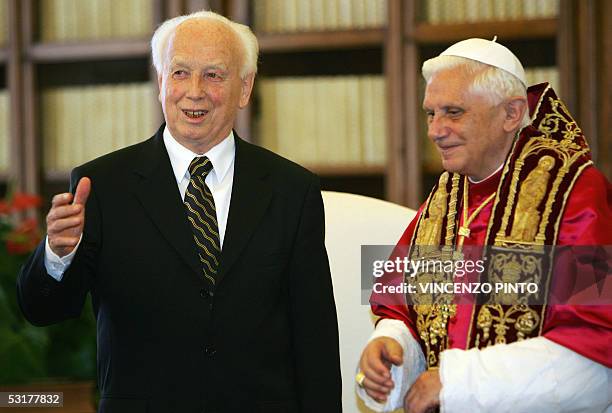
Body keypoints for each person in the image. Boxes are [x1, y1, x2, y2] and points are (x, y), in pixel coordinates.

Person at [17, 11, 342, 413]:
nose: (194, 91)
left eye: (213, 75)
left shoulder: (293, 190)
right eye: (180, 73)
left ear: (244, 88)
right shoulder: (102, 186)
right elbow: (44, 310)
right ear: (160, 82)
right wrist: (57, 254)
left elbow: (316, 341)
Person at [356, 38, 612, 413]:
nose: (435, 131)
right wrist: (392, 347)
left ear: (511, 113)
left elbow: (596, 358)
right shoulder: (447, 195)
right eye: (431, 113)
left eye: (453, 112)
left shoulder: (574, 193)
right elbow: (405, 308)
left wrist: (456, 382)